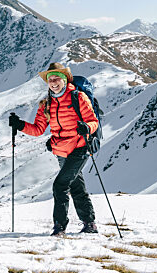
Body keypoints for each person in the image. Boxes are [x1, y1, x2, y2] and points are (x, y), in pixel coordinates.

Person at [9, 62, 99, 236]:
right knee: (76, 186)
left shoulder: (78, 97)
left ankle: (60, 227)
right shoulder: (46, 105)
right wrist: (19, 125)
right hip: (61, 151)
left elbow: (93, 121)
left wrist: (87, 128)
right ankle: (90, 224)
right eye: (50, 79)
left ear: (65, 80)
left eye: (57, 78)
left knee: (60, 185)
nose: (54, 82)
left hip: (80, 147)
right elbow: (37, 129)